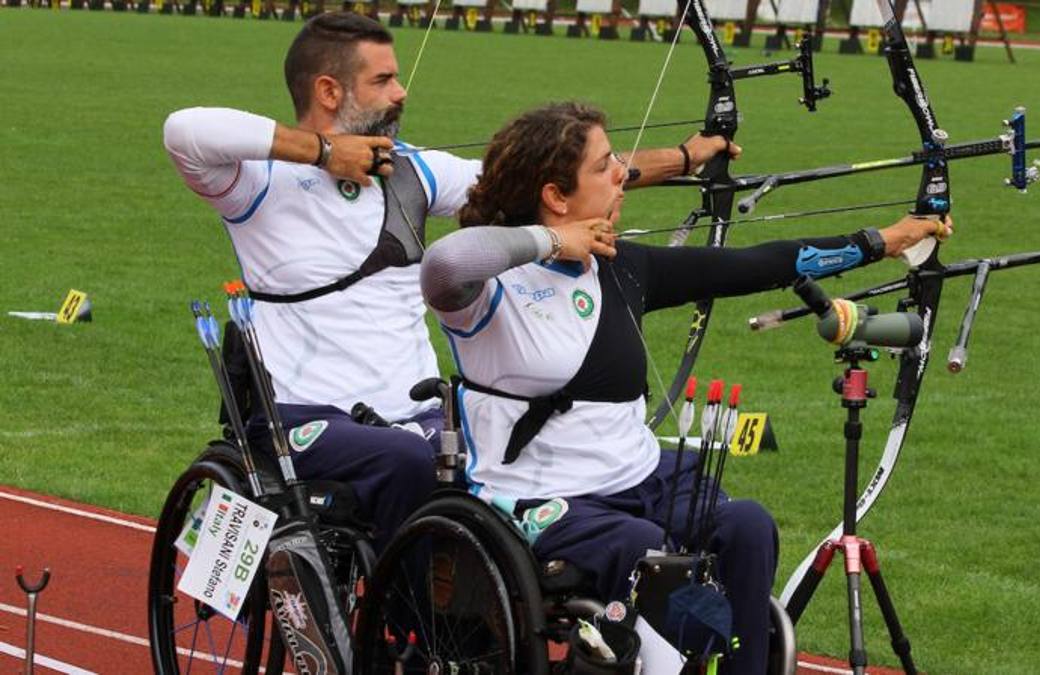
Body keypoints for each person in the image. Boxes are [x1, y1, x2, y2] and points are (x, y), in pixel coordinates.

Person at [162, 12, 736, 550]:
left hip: (415, 412)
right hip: (302, 414)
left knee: (510, 463)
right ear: (329, 92)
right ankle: (417, 635)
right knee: (410, 464)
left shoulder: (410, 170)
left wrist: (687, 157)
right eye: (383, 79)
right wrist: (322, 152)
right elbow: (184, 130)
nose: (400, 92)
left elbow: (539, 182)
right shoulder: (257, 183)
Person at [419, 101, 952, 674]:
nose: (622, 174)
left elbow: (757, 264)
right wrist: (553, 243)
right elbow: (445, 263)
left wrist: (883, 240)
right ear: (555, 195)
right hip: (539, 498)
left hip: (640, 476)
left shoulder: (624, 265)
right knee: (649, 555)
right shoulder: (490, 287)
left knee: (747, 526)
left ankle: (740, 662)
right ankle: (702, 645)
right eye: (605, 167)